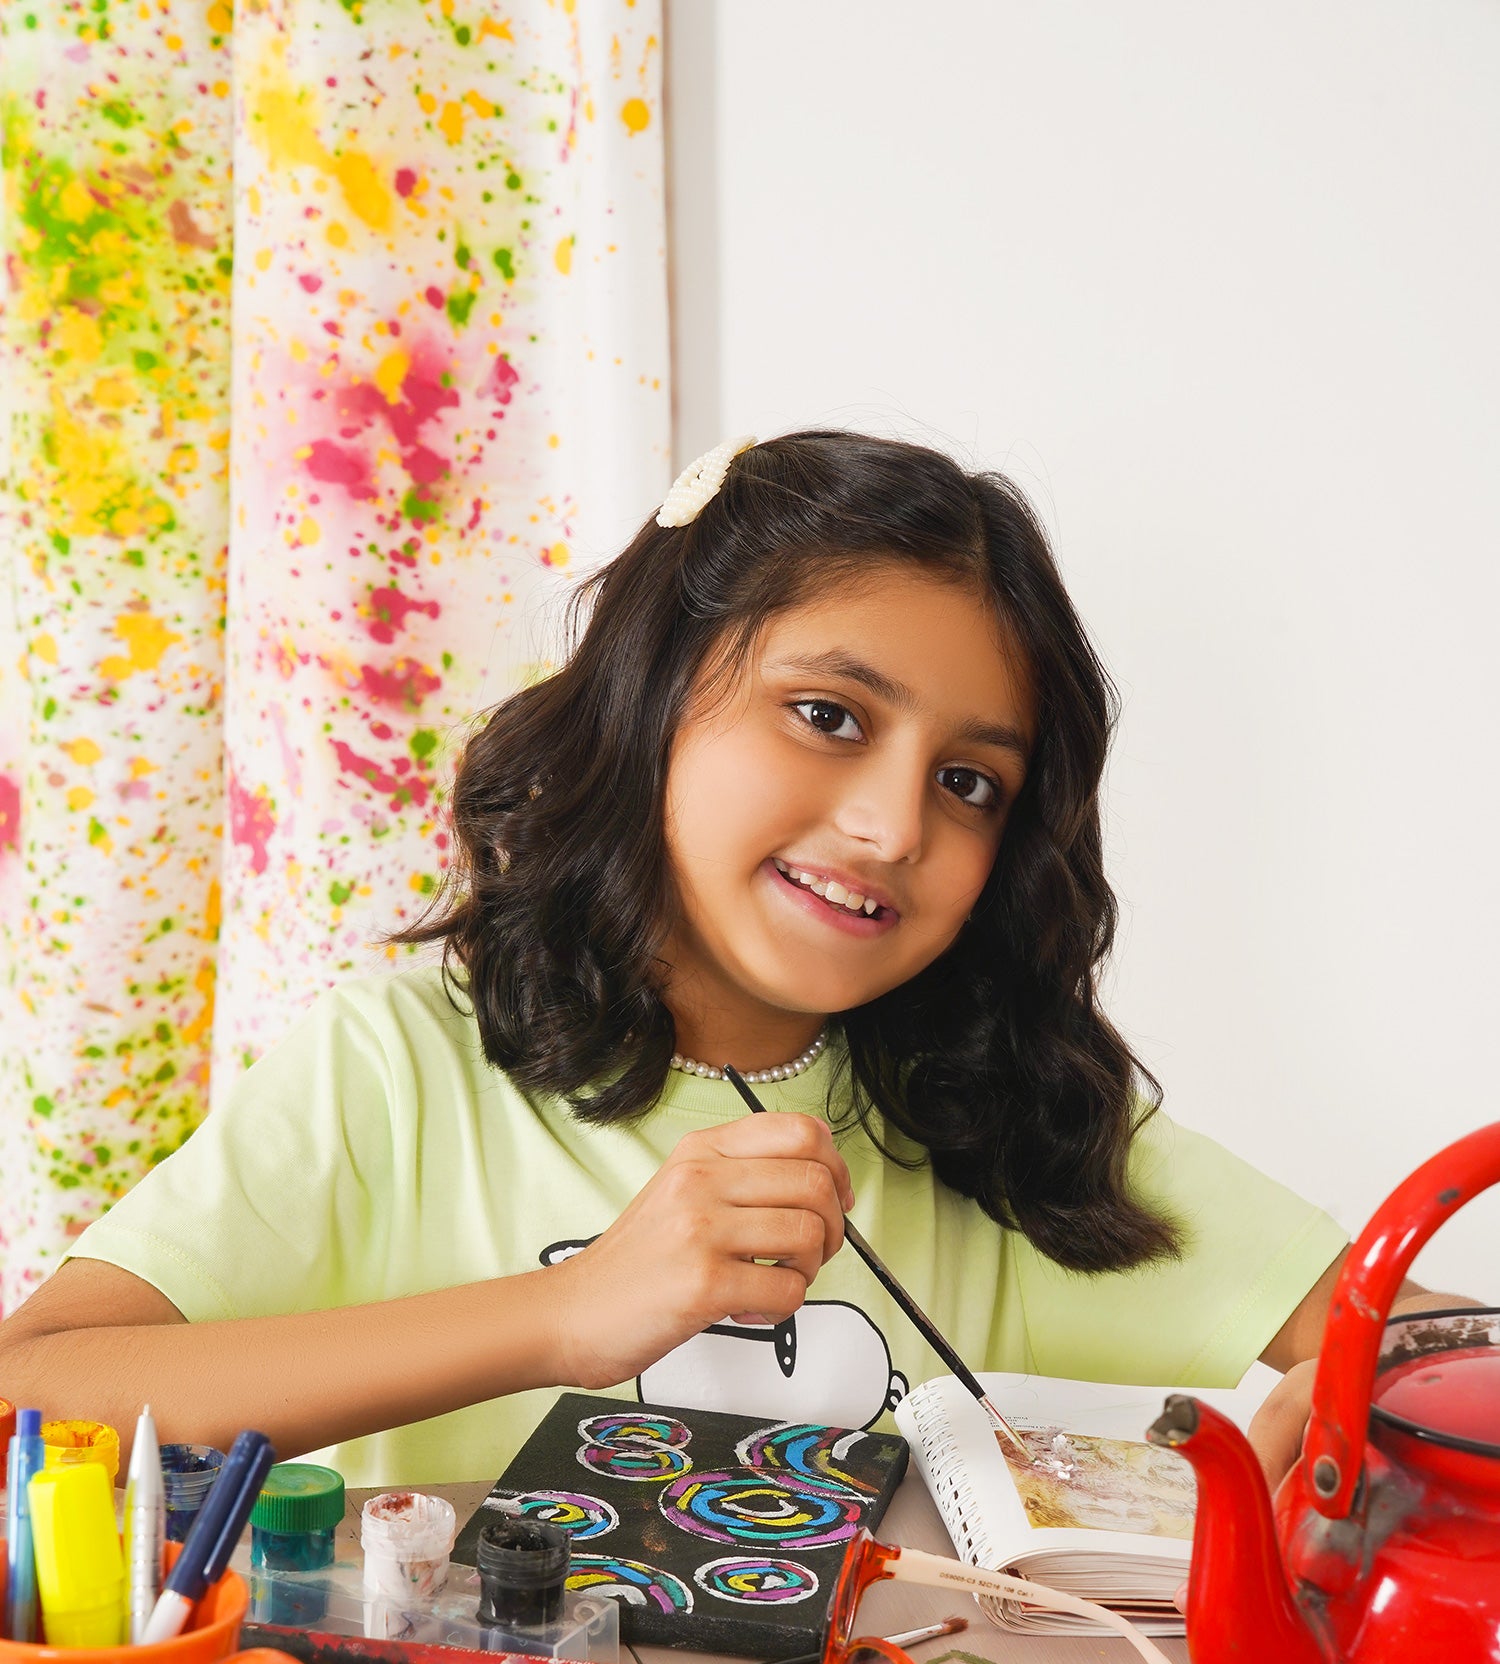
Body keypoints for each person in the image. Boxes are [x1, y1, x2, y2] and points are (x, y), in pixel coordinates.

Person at [0, 432, 1460, 1485]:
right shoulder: (398, 1070)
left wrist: (1330, 1444)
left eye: (972, 783)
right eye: (828, 714)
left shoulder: (1000, 1126)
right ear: (649, 701)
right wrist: (566, 1313)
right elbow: (31, 1398)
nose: (894, 823)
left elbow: (1442, 1353)